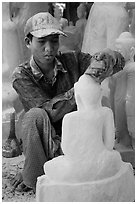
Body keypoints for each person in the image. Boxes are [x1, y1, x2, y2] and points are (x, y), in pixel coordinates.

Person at [11, 12, 125, 193]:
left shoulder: (73, 60)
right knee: (34, 115)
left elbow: (116, 63)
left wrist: (108, 56)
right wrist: (82, 86)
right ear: (28, 42)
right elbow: (47, 110)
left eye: (54, 41)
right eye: (41, 42)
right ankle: (35, 173)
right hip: (47, 144)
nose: (49, 48)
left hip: (79, 140)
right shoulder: (21, 75)